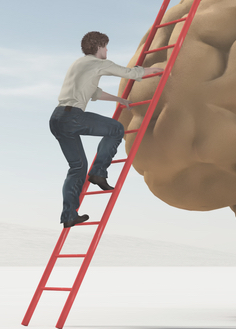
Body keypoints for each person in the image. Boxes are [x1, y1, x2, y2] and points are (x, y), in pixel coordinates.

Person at [49, 31, 162, 228]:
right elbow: (130, 73)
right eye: (106, 47)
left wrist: (119, 100)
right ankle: (99, 172)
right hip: (72, 116)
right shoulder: (98, 63)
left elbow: (93, 92)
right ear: (99, 47)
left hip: (57, 118)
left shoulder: (78, 64)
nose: (107, 50)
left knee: (77, 168)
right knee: (116, 129)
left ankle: (69, 215)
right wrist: (156, 70)